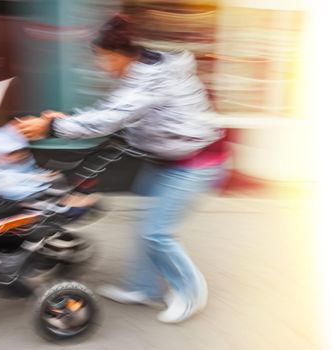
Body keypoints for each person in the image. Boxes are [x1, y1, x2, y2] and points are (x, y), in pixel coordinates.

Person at [14, 14, 230, 323]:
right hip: (167, 159)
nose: (101, 66)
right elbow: (112, 112)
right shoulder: (139, 72)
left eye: (102, 59)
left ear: (117, 54)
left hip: (197, 162)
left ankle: (191, 292)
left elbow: (109, 119)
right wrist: (64, 119)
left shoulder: (150, 78)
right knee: (148, 226)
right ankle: (144, 289)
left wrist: (51, 126)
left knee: (157, 233)